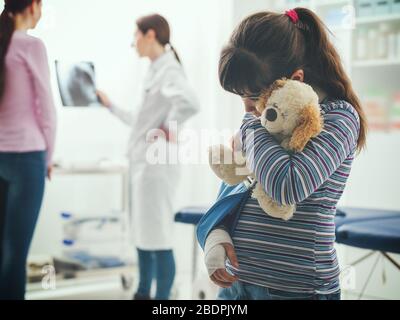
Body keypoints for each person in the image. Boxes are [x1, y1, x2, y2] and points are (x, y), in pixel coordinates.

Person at [204, 8, 367, 300]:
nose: (247, 109)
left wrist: (250, 127)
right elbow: (236, 189)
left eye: (253, 97)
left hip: (296, 290)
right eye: (241, 98)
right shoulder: (264, 123)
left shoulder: (339, 119)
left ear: (295, 79)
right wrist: (215, 237)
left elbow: (286, 186)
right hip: (238, 285)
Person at [97, 14, 199, 300]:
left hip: (157, 167)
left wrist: (170, 127)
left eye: (136, 36)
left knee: (158, 237)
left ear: (150, 34)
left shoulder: (169, 71)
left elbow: (191, 102)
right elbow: (140, 120)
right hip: (144, 165)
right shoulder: (156, 70)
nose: (134, 43)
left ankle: (161, 299)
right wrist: (110, 106)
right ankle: (143, 293)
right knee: (143, 234)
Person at [0, 0, 57, 300]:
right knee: (15, 253)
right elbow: (45, 109)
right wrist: (48, 157)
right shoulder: (31, 46)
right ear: (33, 5)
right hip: (27, 158)